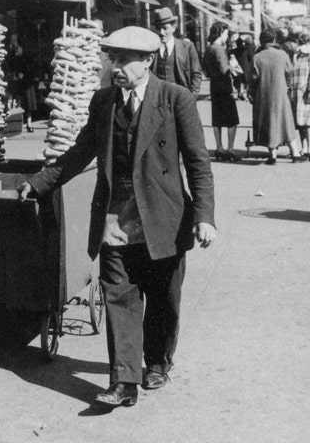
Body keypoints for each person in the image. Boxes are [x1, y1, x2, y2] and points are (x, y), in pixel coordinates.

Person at [17, 26, 216, 409]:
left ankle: (157, 360)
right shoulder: (103, 101)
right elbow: (80, 152)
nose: (116, 66)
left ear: (148, 62)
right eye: (113, 58)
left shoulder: (177, 100)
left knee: (163, 298)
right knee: (119, 298)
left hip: (164, 217)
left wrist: (204, 216)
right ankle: (124, 381)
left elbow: (198, 164)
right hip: (115, 218)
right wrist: (40, 182)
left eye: (125, 59)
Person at [249, 30, 306, 164]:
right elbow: (290, 73)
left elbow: (252, 79)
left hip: (263, 95)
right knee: (286, 122)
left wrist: (252, 94)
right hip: (281, 94)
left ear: (261, 41)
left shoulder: (257, 57)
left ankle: (272, 156)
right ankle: (295, 153)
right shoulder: (283, 55)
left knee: (269, 123)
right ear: (274, 41)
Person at [202, 21, 241, 162]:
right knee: (232, 120)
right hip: (224, 87)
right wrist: (232, 66)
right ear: (220, 33)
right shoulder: (219, 49)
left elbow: (205, 71)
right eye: (225, 33)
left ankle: (219, 147)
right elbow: (224, 69)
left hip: (214, 87)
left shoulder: (208, 49)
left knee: (217, 120)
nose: (226, 36)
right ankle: (230, 149)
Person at [151, 7, 203, 95]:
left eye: (165, 28)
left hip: (181, 99)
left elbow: (196, 74)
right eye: (158, 28)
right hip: (158, 101)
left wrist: (192, 97)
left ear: (174, 28)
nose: (161, 32)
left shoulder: (187, 47)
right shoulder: (152, 49)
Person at [4, 41, 38, 132]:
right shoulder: (14, 58)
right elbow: (11, 69)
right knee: (19, 104)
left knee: (28, 106)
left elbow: (32, 70)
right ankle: (19, 124)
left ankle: (29, 124)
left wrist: (24, 74)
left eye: (18, 48)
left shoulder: (27, 58)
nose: (16, 50)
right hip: (19, 84)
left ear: (22, 48)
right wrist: (14, 75)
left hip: (26, 85)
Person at [287, 34, 310, 157]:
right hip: (296, 93)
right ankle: (304, 148)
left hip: (306, 93)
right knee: (300, 124)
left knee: (308, 123)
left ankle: (309, 149)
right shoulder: (297, 57)